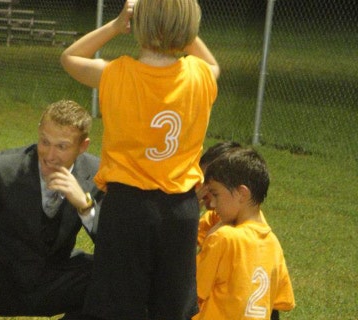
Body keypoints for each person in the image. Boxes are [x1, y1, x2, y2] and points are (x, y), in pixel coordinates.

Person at [60, 0, 220, 319]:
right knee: (172, 306)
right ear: (189, 27)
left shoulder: (116, 73)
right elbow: (212, 63)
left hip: (127, 207)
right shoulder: (201, 75)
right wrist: (177, 26)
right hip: (180, 210)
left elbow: (70, 57)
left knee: (117, 305)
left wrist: (117, 25)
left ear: (139, 25)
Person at [0, 100, 103, 320]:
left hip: (55, 276)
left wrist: (84, 206)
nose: (50, 155)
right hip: (1, 273)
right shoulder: (2, 168)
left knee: (109, 277)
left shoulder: (96, 174)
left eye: (62, 146)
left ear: (83, 146)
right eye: (45, 141)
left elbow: (114, 244)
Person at [193, 148, 295, 320]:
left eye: (216, 194)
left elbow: (191, 293)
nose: (213, 202)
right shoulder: (273, 244)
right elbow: (279, 302)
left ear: (242, 193)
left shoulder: (223, 237)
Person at [196, 141, 243, 249]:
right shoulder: (214, 216)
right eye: (200, 180)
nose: (201, 188)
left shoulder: (236, 231)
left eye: (209, 185)